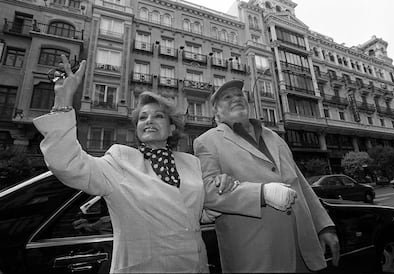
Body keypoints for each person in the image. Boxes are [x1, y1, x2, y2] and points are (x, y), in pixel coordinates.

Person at [33, 55, 238, 273]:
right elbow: (68, 164)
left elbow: (197, 213)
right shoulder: (119, 160)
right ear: (138, 129)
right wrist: (63, 103)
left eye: (158, 116)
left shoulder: (191, 163)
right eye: (142, 117)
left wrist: (221, 187)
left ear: (171, 129)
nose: (149, 120)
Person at [194, 79, 340, 273]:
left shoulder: (274, 137)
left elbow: (300, 184)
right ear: (216, 112)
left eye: (239, 95)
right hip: (257, 256)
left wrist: (324, 226)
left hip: (303, 248)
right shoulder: (207, 141)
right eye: (227, 97)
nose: (236, 98)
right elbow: (208, 192)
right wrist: (262, 193)